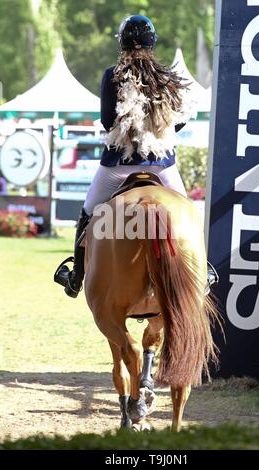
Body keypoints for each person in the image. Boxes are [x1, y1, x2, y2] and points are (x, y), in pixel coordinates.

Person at [54, 14, 218, 298]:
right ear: (151, 43)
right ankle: (204, 270)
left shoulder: (112, 75)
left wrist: (129, 130)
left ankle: (76, 276)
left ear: (123, 44)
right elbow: (178, 121)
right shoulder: (166, 76)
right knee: (189, 214)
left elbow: (108, 121)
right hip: (161, 165)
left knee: (88, 212)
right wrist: (158, 129)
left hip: (118, 165)